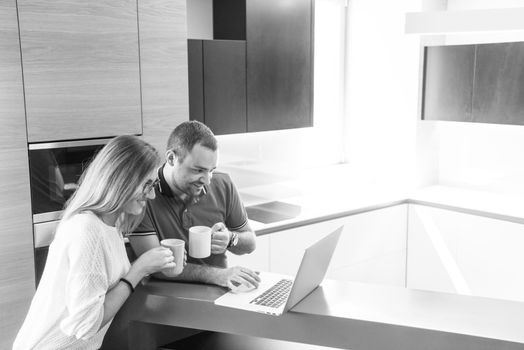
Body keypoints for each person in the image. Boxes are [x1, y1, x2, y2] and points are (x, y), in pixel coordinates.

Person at [13, 135, 179, 350]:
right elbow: (86, 325)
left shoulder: (111, 225)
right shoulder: (88, 231)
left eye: (153, 184)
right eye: (147, 185)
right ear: (121, 179)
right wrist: (139, 269)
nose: (153, 195)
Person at [129, 121, 261, 290]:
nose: (207, 180)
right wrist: (215, 275)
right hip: (164, 297)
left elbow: (250, 243)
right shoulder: (144, 194)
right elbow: (156, 267)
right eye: (198, 170)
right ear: (171, 158)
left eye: (211, 170)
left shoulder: (223, 183)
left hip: (219, 290)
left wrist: (230, 239)